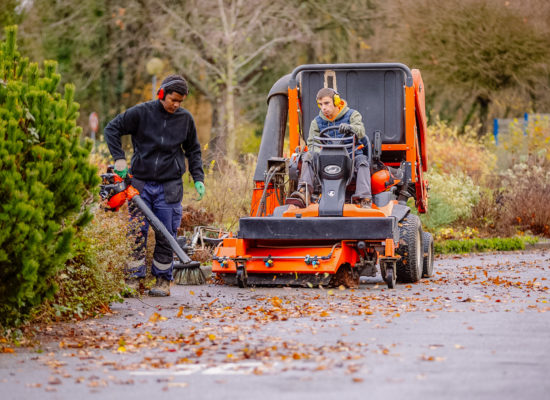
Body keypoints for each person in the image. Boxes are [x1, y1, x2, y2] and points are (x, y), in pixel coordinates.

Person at [104, 75, 205, 297]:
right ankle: (133, 279)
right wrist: (119, 159)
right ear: (162, 94)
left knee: (165, 232)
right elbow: (111, 129)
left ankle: (161, 281)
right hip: (140, 182)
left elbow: (193, 150)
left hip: (170, 185)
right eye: (173, 99)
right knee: (136, 231)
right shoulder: (141, 113)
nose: (176, 104)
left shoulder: (185, 120)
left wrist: (198, 178)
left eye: (180, 101)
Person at [287, 87, 372, 208]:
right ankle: (303, 192)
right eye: (320, 104)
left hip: (351, 157)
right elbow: (312, 143)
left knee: (363, 161)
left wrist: (350, 128)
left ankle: (364, 198)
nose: (324, 108)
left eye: (326, 103)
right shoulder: (316, 122)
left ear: (336, 102)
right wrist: (319, 155)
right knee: (309, 156)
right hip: (326, 160)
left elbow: (361, 131)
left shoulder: (352, 115)